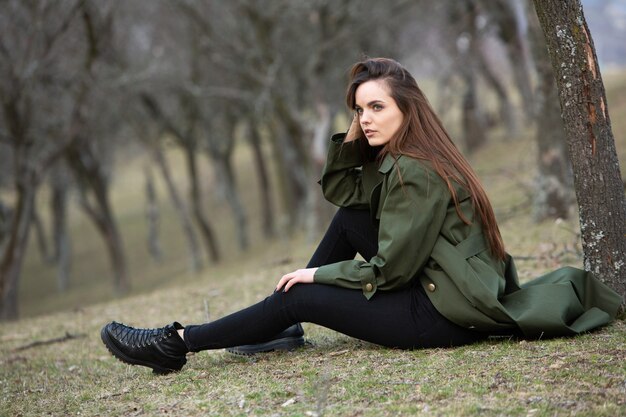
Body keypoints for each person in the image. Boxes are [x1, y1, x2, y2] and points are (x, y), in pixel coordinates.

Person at [100, 58, 621, 374]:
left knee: (298, 293)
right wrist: (357, 135)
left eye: (377, 108)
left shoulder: (414, 171)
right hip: (442, 288)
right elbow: (345, 192)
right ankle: (282, 326)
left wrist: (315, 275)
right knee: (350, 220)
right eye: (358, 108)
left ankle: (178, 343)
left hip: (440, 316)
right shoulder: (410, 155)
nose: (365, 118)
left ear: (407, 110)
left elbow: (390, 270)